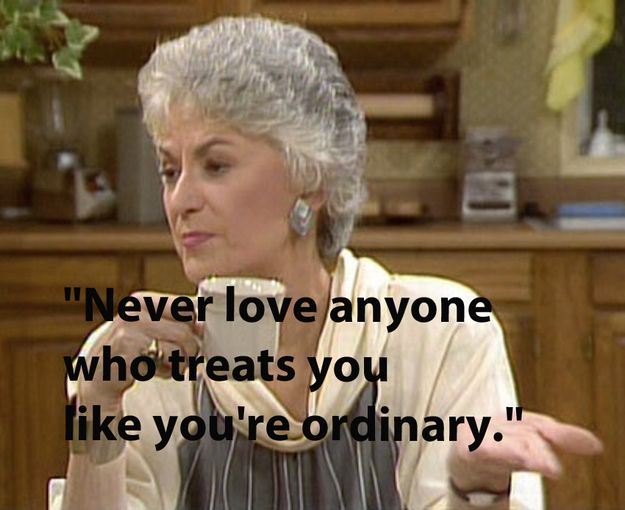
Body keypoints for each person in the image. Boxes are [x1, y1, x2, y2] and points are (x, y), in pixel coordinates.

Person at [55, 16, 602, 510]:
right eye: (170, 170)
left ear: (312, 180)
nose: (180, 200)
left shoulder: (438, 333)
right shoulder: (142, 359)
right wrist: (97, 410)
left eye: (215, 165)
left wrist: (475, 491)